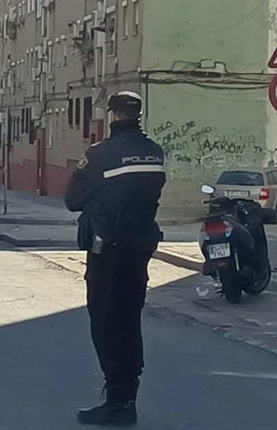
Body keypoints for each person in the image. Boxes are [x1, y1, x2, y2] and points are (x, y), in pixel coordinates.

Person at [64, 91, 166, 426]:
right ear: (138, 115)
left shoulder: (101, 153)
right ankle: (127, 398)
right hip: (140, 249)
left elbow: (72, 198)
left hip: (108, 249)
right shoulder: (154, 152)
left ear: (111, 115)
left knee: (106, 323)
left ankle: (118, 402)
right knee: (129, 320)